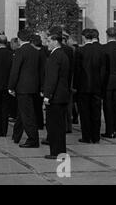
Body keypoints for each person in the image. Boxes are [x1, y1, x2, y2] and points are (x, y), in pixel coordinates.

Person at [8, 29, 43, 148]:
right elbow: (41, 71)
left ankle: (33, 139)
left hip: (22, 87)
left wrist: (11, 86)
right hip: (33, 87)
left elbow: (15, 71)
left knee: (27, 114)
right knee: (22, 112)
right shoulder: (36, 51)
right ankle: (16, 135)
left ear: (19, 39)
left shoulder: (20, 51)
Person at [74, 29, 107, 144]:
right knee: (96, 112)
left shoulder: (80, 50)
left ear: (84, 37)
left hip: (83, 87)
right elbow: (104, 70)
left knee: (84, 113)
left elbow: (77, 70)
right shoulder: (101, 50)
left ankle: (86, 136)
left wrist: (75, 86)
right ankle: (96, 136)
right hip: (97, 86)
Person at [43, 29, 70, 159]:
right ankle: (59, 151)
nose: (47, 43)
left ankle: (57, 152)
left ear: (55, 41)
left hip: (56, 97)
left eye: (49, 41)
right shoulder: (62, 54)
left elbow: (52, 78)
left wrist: (47, 95)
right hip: (62, 95)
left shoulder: (55, 56)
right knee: (58, 126)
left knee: (54, 126)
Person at [30, 34, 47, 130]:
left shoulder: (37, 54)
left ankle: (37, 123)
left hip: (37, 83)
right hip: (41, 82)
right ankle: (39, 123)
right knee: (38, 106)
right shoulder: (44, 52)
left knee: (35, 106)